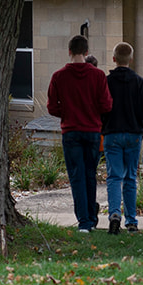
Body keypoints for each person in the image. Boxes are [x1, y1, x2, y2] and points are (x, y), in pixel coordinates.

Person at [46, 34, 112, 233]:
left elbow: (51, 107)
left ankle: (84, 221)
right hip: (92, 131)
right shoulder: (98, 76)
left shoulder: (59, 77)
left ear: (69, 52)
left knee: (77, 176)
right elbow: (107, 105)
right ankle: (91, 218)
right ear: (86, 52)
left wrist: (66, 112)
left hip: (71, 131)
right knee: (90, 175)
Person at [103, 42, 143, 234]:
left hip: (112, 133)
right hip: (133, 135)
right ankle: (131, 221)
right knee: (130, 177)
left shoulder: (106, 82)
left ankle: (114, 213)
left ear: (114, 59)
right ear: (131, 59)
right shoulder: (139, 83)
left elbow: (101, 109)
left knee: (114, 176)